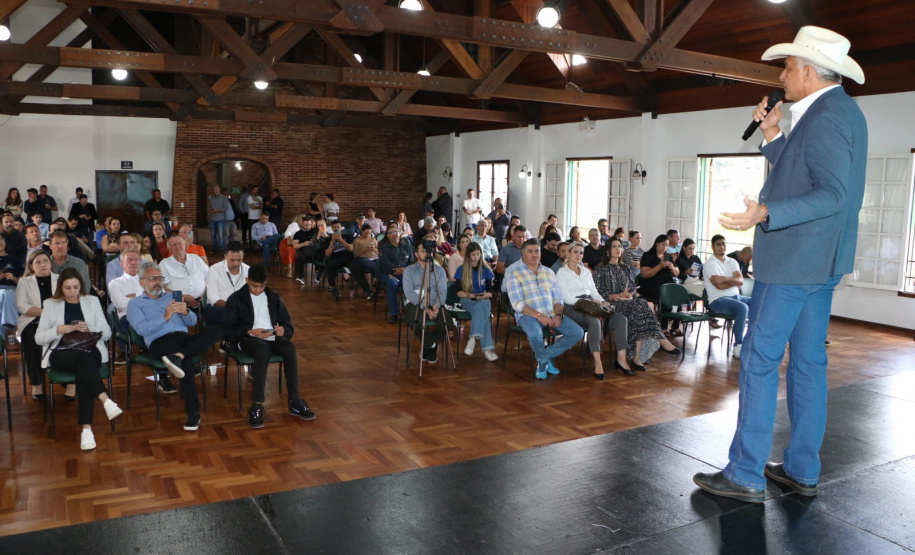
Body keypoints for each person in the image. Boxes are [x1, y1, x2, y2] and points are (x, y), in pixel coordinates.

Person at [693, 26, 868, 504]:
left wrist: (766, 212)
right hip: (821, 262)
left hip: (792, 261)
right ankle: (801, 469)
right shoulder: (839, 112)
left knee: (759, 360)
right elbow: (802, 175)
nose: (781, 76)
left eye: (787, 68)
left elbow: (831, 194)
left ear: (809, 71)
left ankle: (745, 472)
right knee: (808, 364)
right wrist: (771, 133)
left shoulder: (825, 118)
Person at [127, 261, 223, 431]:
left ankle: (178, 356)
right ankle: (193, 413)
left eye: (160, 278)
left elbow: (193, 322)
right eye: (152, 278)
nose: (157, 282)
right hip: (159, 342)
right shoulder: (135, 304)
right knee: (186, 362)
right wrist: (165, 316)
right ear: (141, 282)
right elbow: (141, 329)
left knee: (217, 330)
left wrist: (186, 312)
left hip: (183, 337)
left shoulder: (173, 296)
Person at [35, 267, 122, 451]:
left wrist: (89, 328)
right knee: (85, 364)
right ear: (61, 287)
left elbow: (107, 333)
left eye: (76, 287)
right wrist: (59, 329)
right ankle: (105, 402)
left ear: (81, 286)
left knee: (84, 365)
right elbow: (39, 338)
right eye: (67, 288)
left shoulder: (92, 301)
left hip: (90, 349)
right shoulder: (50, 304)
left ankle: (87, 429)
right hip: (61, 352)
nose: (72, 292)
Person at [223, 264, 315, 428]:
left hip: (271, 336)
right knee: (262, 349)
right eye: (254, 286)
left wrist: (283, 331)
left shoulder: (273, 298)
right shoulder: (236, 299)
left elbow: (288, 325)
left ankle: (295, 400)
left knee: (289, 348)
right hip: (247, 338)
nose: (258, 290)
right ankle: (257, 404)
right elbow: (228, 331)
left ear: (266, 282)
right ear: (247, 280)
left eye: (262, 286)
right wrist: (249, 331)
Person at [594, 238, 681, 369]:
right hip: (611, 304)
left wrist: (630, 294)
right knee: (640, 306)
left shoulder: (625, 267)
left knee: (641, 307)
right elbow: (597, 293)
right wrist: (618, 295)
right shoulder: (601, 269)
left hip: (628, 302)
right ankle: (661, 341)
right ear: (607, 250)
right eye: (614, 246)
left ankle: (637, 356)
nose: (618, 249)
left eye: (620, 246)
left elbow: (632, 288)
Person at [505, 239, 584, 379]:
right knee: (535, 335)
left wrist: (558, 315)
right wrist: (539, 315)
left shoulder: (549, 272)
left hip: (551, 314)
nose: (534, 254)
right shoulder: (514, 275)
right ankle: (544, 361)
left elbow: (558, 298)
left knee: (577, 332)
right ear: (523, 253)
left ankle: (544, 357)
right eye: (530, 251)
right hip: (528, 315)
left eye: (537, 251)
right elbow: (517, 303)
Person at [556, 242, 633, 378]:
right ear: (568, 253)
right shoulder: (562, 273)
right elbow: (566, 298)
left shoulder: (586, 272)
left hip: (591, 305)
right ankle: (598, 362)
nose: (578, 255)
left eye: (581, 253)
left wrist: (602, 302)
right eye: (575, 252)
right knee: (594, 321)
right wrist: (589, 302)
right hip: (572, 307)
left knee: (621, 319)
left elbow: (593, 292)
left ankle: (621, 359)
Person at [16, 250, 58, 399]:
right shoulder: (24, 282)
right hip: (32, 320)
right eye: (38, 262)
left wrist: (52, 315)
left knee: (68, 340)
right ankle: (36, 384)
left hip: (57, 321)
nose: (42, 265)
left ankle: (70, 383)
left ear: (50, 263)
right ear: (31, 266)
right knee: (33, 343)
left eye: (45, 261)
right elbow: (21, 306)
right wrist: (45, 313)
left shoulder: (60, 279)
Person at [703, 235, 751, 358]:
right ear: (713, 247)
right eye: (718, 244)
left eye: (723, 244)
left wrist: (724, 278)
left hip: (736, 297)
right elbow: (719, 286)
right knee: (743, 308)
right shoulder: (710, 264)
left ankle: (752, 342)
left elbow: (741, 281)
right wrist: (734, 281)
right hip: (718, 301)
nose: (722, 247)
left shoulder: (732, 261)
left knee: (757, 302)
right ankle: (738, 345)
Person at [402, 239, 448, 363]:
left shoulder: (440, 270)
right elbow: (409, 292)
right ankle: (432, 345)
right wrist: (424, 307)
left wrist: (436, 306)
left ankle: (427, 345)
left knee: (447, 324)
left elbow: (442, 291)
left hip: (435, 302)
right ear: (416, 254)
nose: (426, 253)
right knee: (416, 323)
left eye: (429, 250)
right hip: (416, 303)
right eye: (423, 250)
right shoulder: (409, 271)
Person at [453, 242, 498, 361]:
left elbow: (490, 293)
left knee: (483, 305)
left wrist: (483, 295)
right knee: (484, 315)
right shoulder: (461, 269)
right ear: (468, 256)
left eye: (478, 254)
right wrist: (472, 295)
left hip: (482, 300)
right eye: (473, 254)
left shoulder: (486, 270)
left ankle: (472, 338)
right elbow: (459, 292)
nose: (476, 257)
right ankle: (488, 350)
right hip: (467, 299)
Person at [639, 234, 680, 335]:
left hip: (667, 283)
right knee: (665, 294)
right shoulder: (647, 256)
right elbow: (645, 274)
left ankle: (675, 326)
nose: (664, 247)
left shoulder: (668, 256)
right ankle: (664, 327)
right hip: (651, 284)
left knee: (678, 294)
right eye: (663, 245)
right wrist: (660, 266)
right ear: (657, 243)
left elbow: (677, 273)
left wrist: (672, 267)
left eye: (667, 246)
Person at [108, 249, 144, 364]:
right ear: (122, 263)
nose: (133, 262)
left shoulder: (148, 280)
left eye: (136, 259)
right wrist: (144, 297)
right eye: (129, 260)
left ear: (140, 262)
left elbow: (159, 297)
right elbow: (121, 304)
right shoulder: (115, 283)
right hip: (128, 318)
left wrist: (133, 296)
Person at [203, 241, 249, 329]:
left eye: (239, 260)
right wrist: (233, 307)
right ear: (225, 256)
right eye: (232, 260)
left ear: (243, 256)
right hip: (219, 308)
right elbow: (212, 297)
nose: (236, 263)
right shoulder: (214, 270)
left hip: (241, 310)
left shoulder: (248, 270)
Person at [159, 235, 208, 308]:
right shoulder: (164, 264)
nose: (177, 246)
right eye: (174, 245)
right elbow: (163, 287)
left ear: (186, 246)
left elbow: (210, 277)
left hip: (203, 302)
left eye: (179, 243)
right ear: (169, 249)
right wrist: (182, 297)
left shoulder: (196, 258)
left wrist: (205, 295)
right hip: (178, 304)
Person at [379, 224, 414, 324]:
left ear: (399, 233)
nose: (395, 234)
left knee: (414, 283)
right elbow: (385, 265)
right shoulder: (384, 248)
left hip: (405, 273)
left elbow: (411, 262)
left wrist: (403, 269)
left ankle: (411, 313)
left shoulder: (406, 246)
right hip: (389, 274)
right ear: (388, 236)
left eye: (396, 232)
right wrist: (396, 271)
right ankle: (394, 314)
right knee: (392, 284)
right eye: (392, 233)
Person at [350, 224, 380, 300]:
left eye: (369, 233)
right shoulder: (357, 240)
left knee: (382, 263)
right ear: (362, 231)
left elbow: (379, 252)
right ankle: (376, 281)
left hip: (375, 257)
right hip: (363, 258)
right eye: (366, 233)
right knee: (376, 267)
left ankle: (378, 282)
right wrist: (365, 249)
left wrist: (374, 249)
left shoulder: (373, 239)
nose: (368, 235)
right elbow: (355, 255)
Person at [292, 216, 318, 284]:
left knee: (322, 254)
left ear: (311, 224)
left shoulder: (315, 231)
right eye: (305, 225)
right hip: (303, 252)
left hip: (314, 251)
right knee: (299, 256)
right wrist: (304, 243)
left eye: (309, 225)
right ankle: (301, 277)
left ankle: (319, 274)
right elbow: (295, 246)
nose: (307, 227)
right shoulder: (298, 233)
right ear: (302, 224)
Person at [208, 184, 229, 254]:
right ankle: (214, 248)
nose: (216, 190)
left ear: (219, 189)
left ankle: (221, 249)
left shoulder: (224, 198)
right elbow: (209, 207)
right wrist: (210, 210)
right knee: (213, 234)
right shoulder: (212, 198)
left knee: (221, 235)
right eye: (214, 189)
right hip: (213, 218)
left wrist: (218, 210)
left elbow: (225, 208)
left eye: (217, 189)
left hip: (221, 219)